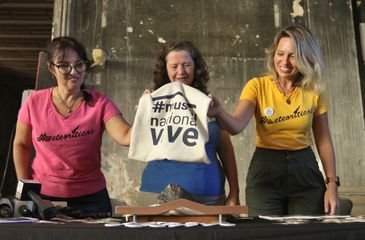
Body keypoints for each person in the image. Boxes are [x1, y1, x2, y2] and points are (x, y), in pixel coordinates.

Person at [209, 25, 339, 216]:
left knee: (306, 235)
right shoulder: (257, 86)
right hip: (265, 172)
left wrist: (332, 184)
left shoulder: (314, 91)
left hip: (305, 171)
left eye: (292, 56)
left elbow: (324, 141)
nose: (284, 61)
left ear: (305, 57)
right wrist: (219, 111)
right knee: (264, 234)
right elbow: (236, 125)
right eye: (280, 53)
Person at [13, 36, 132, 216]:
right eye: (64, 65)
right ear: (52, 68)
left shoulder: (100, 103)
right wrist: (25, 187)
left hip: (92, 200)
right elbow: (21, 144)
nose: (73, 71)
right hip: (44, 198)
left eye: (79, 65)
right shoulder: (34, 103)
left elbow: (125, 136)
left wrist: (150, 111)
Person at [138, 40, 240, 206]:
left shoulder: (209, 103)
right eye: (174, 66)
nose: (181, 72)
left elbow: (226, 151)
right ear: (165, 69)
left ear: (196, 67)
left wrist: (234, 191)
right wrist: (145, 112)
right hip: (157, 195)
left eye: (186, 65)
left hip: (209, 198)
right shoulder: (154, 101)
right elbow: (138, 141)